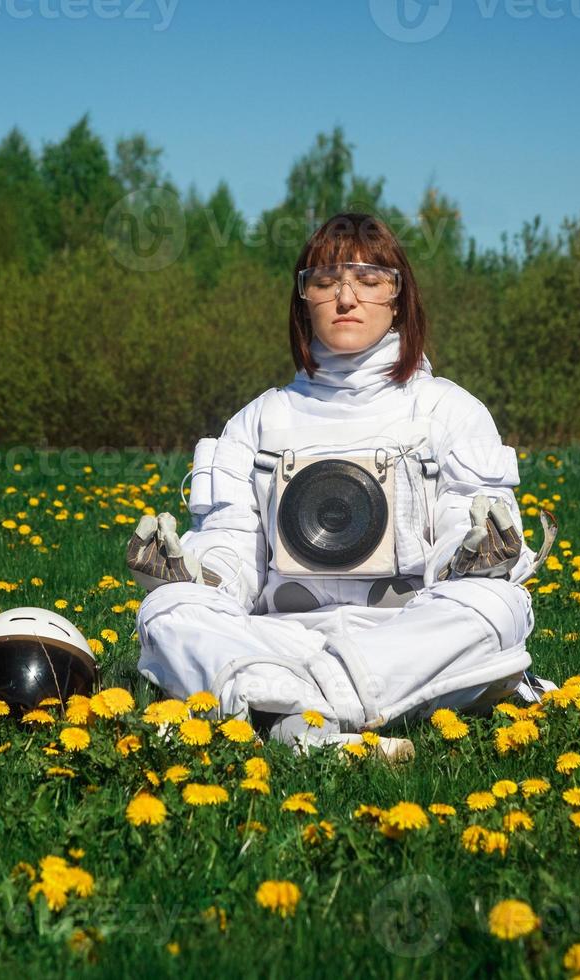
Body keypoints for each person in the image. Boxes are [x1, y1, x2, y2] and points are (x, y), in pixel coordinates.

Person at [128, 212, 555, 760]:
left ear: (398, 298)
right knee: (168, 608)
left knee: (494, 605)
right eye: (326, 282)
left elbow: (466, 527)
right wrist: (191, 570)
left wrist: (477, 556)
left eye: (369, 281)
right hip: (285, 634)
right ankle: (318, 710)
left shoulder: (448, 410)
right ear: (304, 299)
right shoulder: (258, 420)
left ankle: (275, 708)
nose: (346, 298)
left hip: (407, 633)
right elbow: (232, 546)